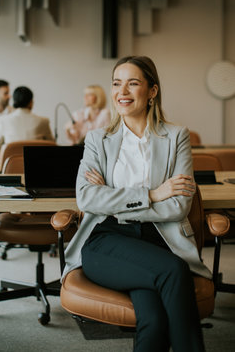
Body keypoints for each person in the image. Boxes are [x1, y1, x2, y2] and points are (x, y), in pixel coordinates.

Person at [63, 56, 212, 352]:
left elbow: (179, 206)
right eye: (117, 83)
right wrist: (153, 194)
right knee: (173, 271)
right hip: (107, 240)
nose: (123, 92)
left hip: (159, 242)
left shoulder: (176, 137)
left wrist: (112, 196)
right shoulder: (97, 139)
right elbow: (88, 198)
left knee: (154, 321)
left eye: (133, 83)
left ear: (152, 91)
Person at [0, 86, 54, 155]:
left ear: (14, 101)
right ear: (31, 102)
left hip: (12, 165)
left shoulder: (4, 121)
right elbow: (53, 148)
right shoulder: (43, 121)